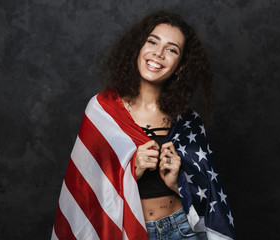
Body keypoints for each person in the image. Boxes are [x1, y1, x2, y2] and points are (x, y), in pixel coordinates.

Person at [52, 11, 235, 240]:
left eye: (171, 49)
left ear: (180, 66)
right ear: (139, 47)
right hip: (126, 229)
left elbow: (210, 199)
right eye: (152, 42)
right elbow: (85, 189)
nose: (158, 53)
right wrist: (131, 171)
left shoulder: (189, 122)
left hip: (181, 230)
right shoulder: (102, 110)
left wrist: (177, 182)